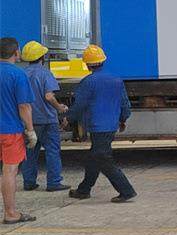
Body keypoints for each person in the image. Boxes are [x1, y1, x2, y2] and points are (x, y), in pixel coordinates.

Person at [67, 45, 136, 203]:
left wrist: (67, 119)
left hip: (98, 127)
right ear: (103, 61)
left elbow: (79, 105)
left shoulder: (87, 82)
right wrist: (123, 119)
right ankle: (84, 190)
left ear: (87, 64)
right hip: (111, 125)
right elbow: (124, 103)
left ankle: (126, 191)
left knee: (103, 159)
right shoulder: (116, 79)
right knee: (94, 158)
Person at [20, 41, 70, 192]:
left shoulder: (22, 74)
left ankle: (29, 182)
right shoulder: (45, 73)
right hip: (47, 120)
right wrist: (59, 108)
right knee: (52, 151)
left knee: (29, 152)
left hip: (28, 120)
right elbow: (49, 96)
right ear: (42, 57)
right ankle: (54, 182)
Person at [0, 37, 38, 224]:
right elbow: (24, 106)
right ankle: (10, 213)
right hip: (10, 131)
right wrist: (30, 130)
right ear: (16, 53)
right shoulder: (17, 74)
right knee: (9, 170)